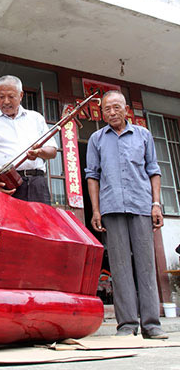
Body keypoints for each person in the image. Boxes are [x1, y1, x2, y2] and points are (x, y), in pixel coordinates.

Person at [85, 90, 167, 339]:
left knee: (145, 265)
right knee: (120, 268)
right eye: (107, 109)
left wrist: (156, 204)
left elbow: (154, 170)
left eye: (116, 108)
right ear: (102, 112)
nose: (111, 112)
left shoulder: (142, 135)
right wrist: (96, 210)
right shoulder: (96, 139)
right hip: (111, 208)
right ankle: (127, 324)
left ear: (126, 109)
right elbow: (92, 176)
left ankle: (152, 324)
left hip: (142, 205)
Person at [0, 75, 57, 203]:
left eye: (11, 96)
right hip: (8, 185)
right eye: (1, 97)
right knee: (10, 223)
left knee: (41, 223)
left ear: (21, 95)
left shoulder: (35, 118)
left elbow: (52, 151)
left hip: (37, 183)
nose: (6, 102)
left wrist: (39, 152)